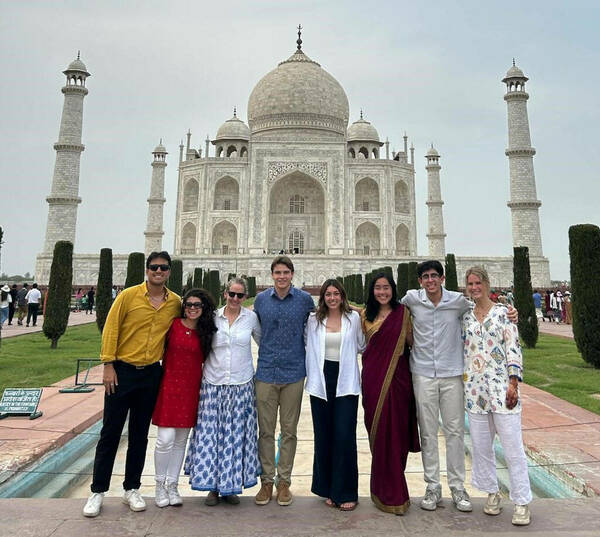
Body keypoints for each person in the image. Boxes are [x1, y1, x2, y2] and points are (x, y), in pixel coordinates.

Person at [83, 251, 181, 518]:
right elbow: (111, 328)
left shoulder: (175, 302)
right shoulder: (128, 296)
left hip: (151, 374)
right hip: (122, 372)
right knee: (110, 432)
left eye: (163, 268)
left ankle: (131, 488)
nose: (158, 272)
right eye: (154, 267)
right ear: (147, 270)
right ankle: (98, 491)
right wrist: (108, 364)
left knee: (139, 434)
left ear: (169, 271)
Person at [462, 266, 532, 526]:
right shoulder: (465, 317)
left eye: (478, 283)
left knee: (513, 448)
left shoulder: (504, 314)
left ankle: (522, 501)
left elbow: (513, 348)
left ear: (487, 284)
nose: (474, 287)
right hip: (475, 391)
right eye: (470, 284)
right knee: (481, 448)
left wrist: (513, 383)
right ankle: (492, 493)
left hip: (503, 390)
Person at [186, 278, 261, 506]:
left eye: (240, 295)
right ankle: (212, 488)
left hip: (241, 383)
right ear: (224, 293)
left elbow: (265, 343)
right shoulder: (211, 317)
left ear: (245, 297)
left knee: (235, 436)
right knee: (212, 436)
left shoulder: (251, 319)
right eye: (232, 294)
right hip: (214, 383)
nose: (235, 299)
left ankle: (230, 487)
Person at [253, 256, 314, 506]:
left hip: (293, 374)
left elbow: (314, 330)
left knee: (289, 431)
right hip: (266, 372)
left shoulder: (304, 300)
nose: (281, 276)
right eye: (277, 272)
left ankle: (284, 482)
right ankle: (267, 482)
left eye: (285, 272)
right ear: (272, 275)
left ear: (292, 274)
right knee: (266, 431)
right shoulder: (260, 300)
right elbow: (256, 332)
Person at [360, 273, 420, 514]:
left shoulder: (404, 313)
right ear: (372, 291)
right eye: (378, 288)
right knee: (378, 430)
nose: (382, 292)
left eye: (386, 288)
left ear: (393, 290)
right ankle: (382, 489)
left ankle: (395, 490)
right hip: (374, 380)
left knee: (396, 434)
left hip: (399, 380)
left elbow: (414, 343)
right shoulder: (365, 315)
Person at [152, 288, 217, 508]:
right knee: (164, 440)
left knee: (180, 441)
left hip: (191, 390)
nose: (192, 309)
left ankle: (172, 485)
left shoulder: (206, 332)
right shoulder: (173, 326)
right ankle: (159, 485)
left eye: (197, 305)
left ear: (203, 308)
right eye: (188, 305)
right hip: (169, 388)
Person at [305, 279, 365, 511]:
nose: (332, 298)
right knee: (324, 436)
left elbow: (362, 345)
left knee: (344, 436)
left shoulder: (354, 319)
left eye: (336, 293)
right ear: (323, 297)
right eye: (328, 294)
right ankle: (328, 489)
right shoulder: (313, 321)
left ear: (342, 296)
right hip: (321, 381)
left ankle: (346, 491)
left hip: (346, 380)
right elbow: (306, 344)